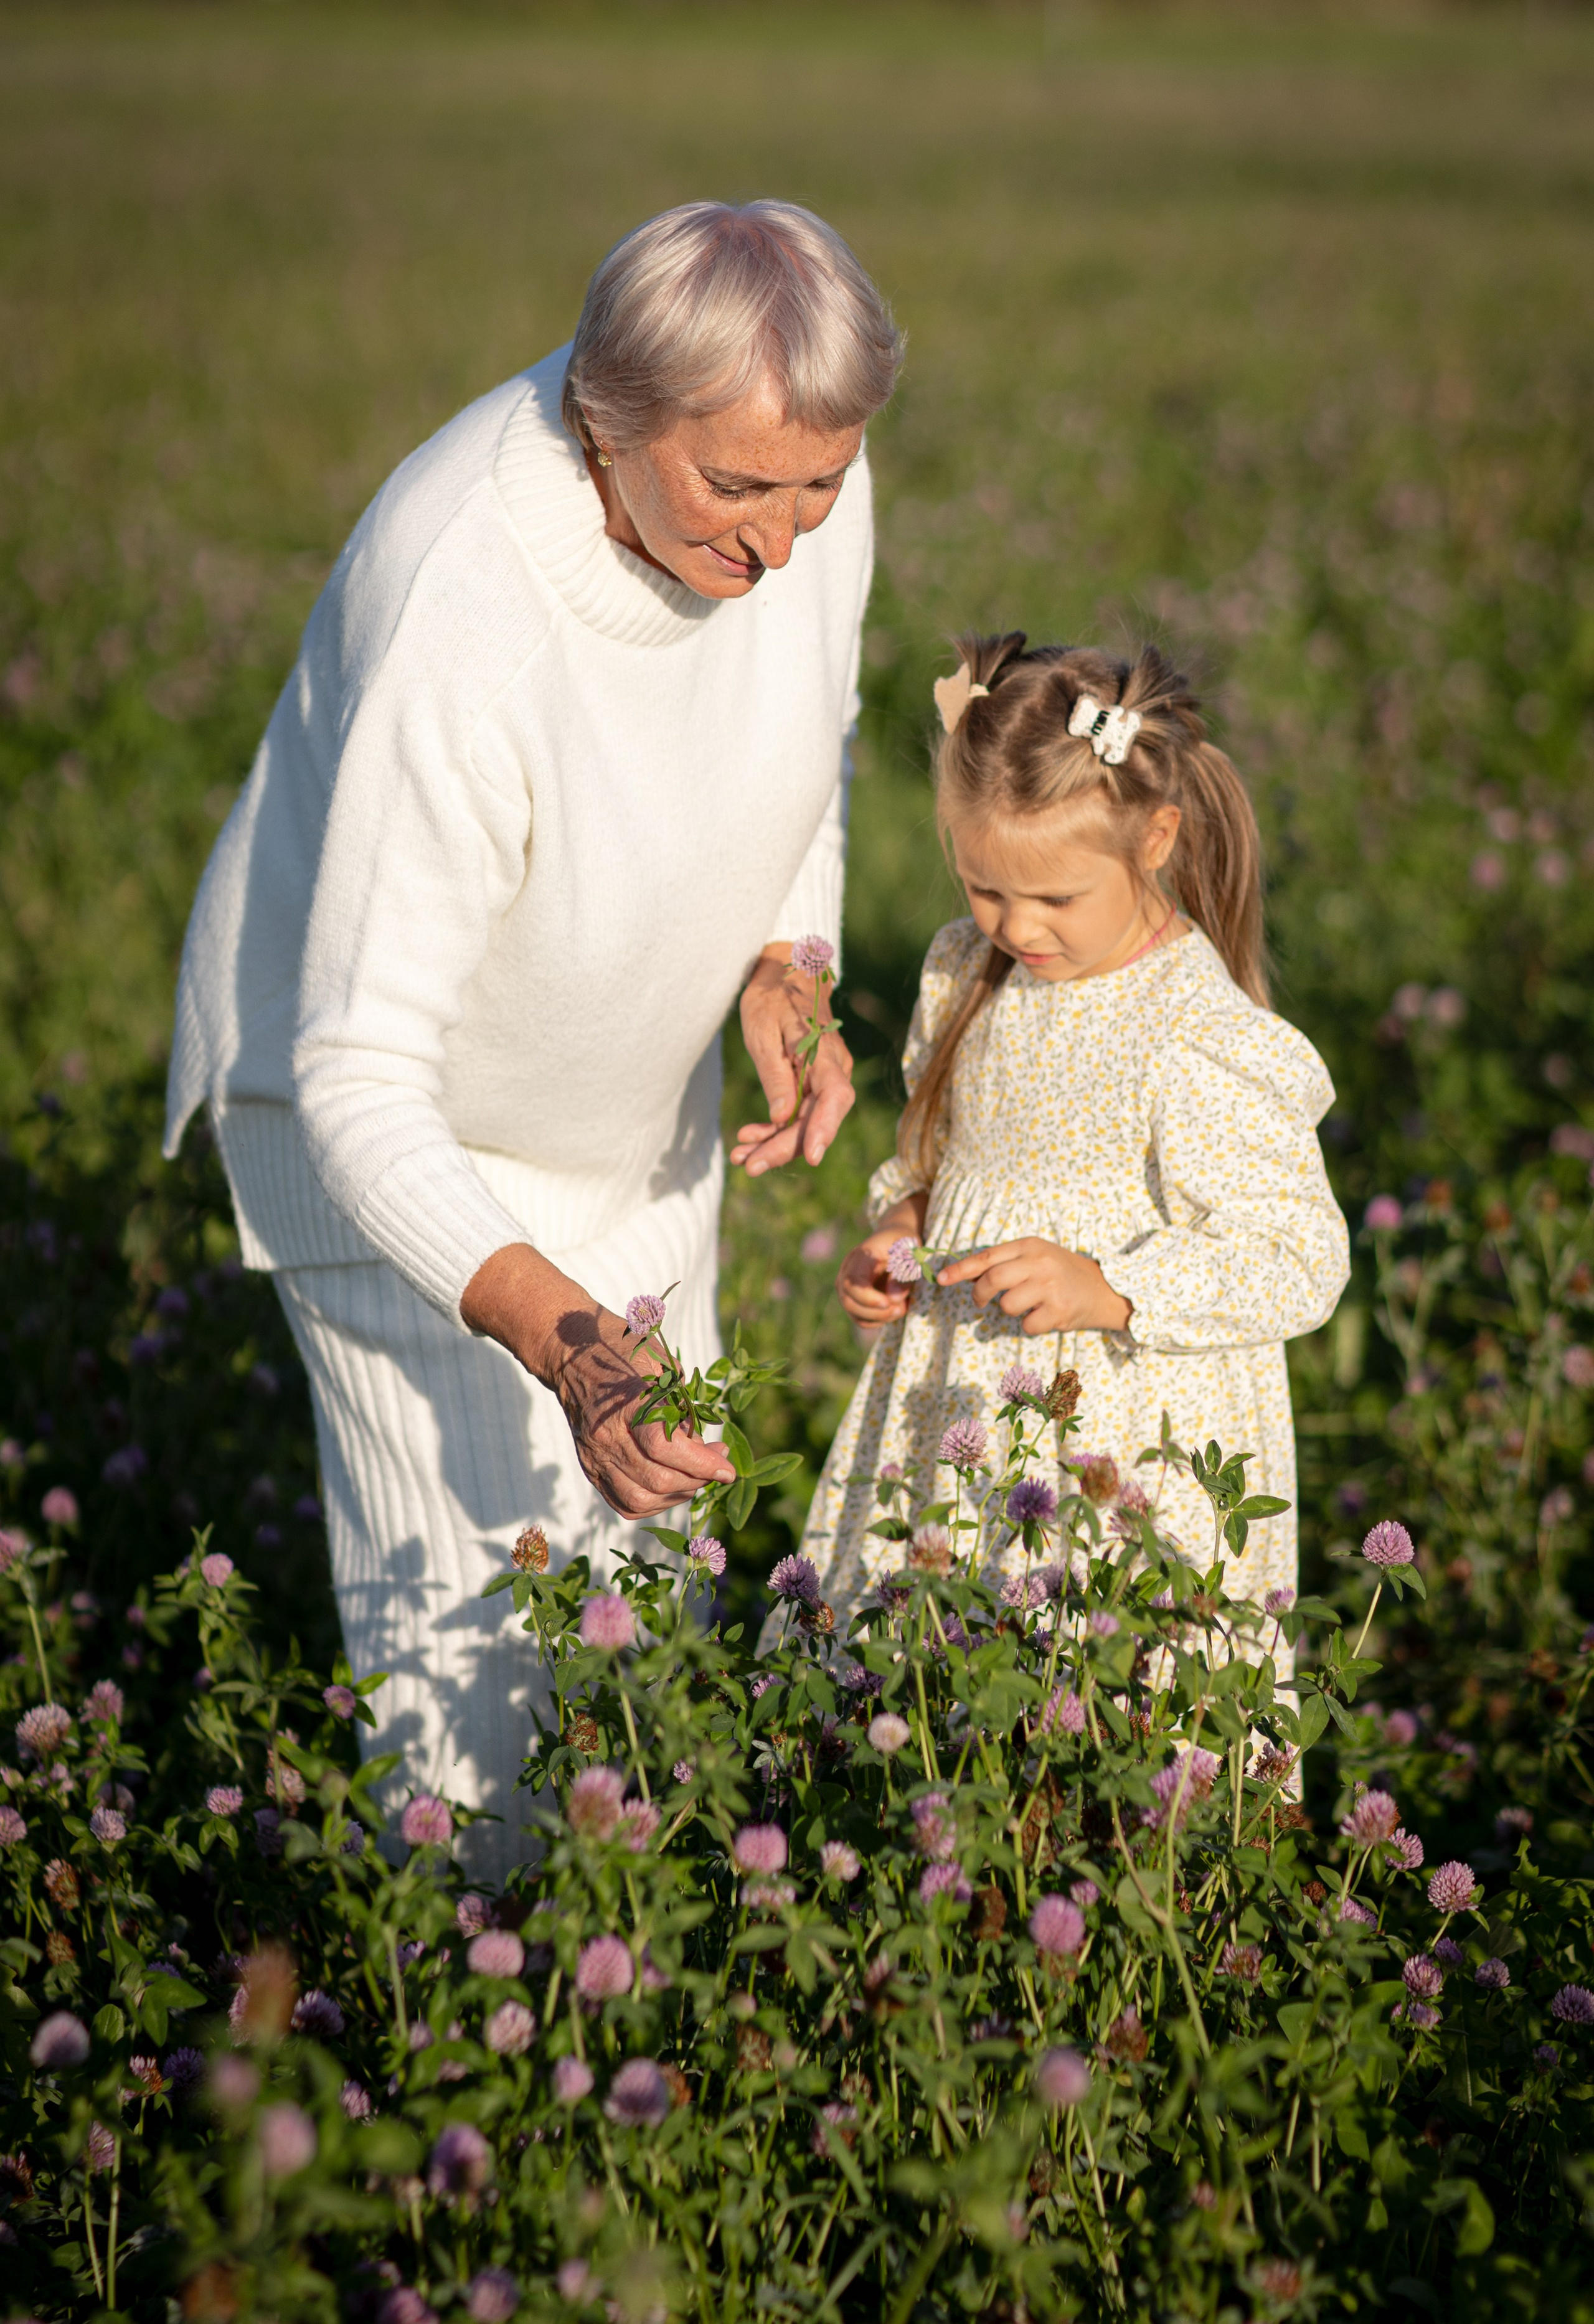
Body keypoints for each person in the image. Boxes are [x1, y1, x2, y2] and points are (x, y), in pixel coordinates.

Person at [163, 200, 903, 1876]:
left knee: (653, 1632)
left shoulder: (792, 473)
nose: (784, 546)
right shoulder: (468, 599)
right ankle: (462, 2082)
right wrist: (566, 1345)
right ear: (608, 416)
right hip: (391, 1143)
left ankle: (653, 2036)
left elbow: (814, 729)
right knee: (476, 1712)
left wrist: (794, 957)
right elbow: (360, 1071)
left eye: (821, 489)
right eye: (737, 491)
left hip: (626, 1101)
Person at [798, 633, 1350, 1678]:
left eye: (1053, 899)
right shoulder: (968, 969)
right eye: (984, 887)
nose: (1016, 925)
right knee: (936, 1681)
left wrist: (1108, 1288)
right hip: (959, 1404)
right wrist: (901, 1225)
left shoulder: (1192, 1031)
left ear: (1155, 839)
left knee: (1096, 1702)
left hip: (1124, 1442)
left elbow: (1300, 1256)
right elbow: (938, 1150)